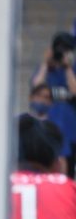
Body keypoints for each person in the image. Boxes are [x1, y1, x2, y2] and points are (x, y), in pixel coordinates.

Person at [31, 32, 76, 177]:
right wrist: (45, 63)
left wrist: (68, 68)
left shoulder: (72, 70)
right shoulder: (46, 70)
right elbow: (36, 88)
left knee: (69, 171)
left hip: (70, 129)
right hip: (48, 127)